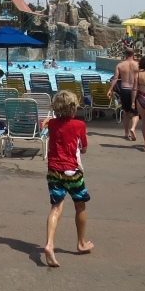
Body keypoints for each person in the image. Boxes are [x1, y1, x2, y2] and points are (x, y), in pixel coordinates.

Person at [41, 90, 93, 267]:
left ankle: (49, 244)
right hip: (72, 171)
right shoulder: (79, 125)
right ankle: (81, 242)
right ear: (73, 108)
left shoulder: (52, 124)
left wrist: (49, 122)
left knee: (56, 208)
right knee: (80, 206)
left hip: (54, 170)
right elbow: (84, 148)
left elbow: (50, 123)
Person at [107, 48, 139, 141]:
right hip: (135, 89)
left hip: (124, 89)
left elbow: (115, 78)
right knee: (136, 113)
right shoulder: (138, 65)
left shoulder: (120, 65)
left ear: (125, 54)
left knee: (126, 112)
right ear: (134, 54)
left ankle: (126, 133)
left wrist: (110, 90)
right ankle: (132, 128)